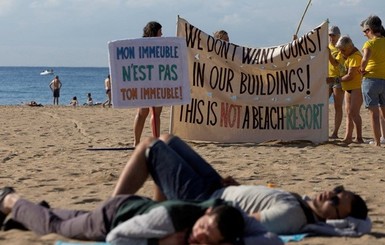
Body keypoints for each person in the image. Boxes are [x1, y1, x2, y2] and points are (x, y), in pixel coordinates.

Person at [112, 134, 369, 235]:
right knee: (167, 140)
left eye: (335, 202)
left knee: (150, 146)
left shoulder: (292, 215)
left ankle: (112, 212)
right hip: (220, 187)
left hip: (205, 199)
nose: (330, 195)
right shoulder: (300, 203)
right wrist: (239, 187)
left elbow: (245, 222)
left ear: (332, 219)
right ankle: (155, 212)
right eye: (337, 191)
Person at [0, 187, 283, 245]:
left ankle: (23, 213)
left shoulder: (228, 217)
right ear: (206, 213)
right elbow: (115, 239)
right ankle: (10, 200)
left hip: (137, 210)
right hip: (114, 218)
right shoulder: (171, 221)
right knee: (59, 226)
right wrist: (156, 244)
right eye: (202, 228)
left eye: (207, 239)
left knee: (76, 218)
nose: (199, 236)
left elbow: (273, 240)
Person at [133, 21, 163, 146]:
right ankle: (136, 141)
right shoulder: (141, 45)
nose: (162, 34)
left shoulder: (161, 46)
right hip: (145, 82)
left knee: (155, 113)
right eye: (160, 32)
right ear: (154, 32)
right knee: (143, 112)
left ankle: (155, 140)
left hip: (157, 81)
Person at [360, 16, 385, 146]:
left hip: (371, 79)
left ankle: (377, 142)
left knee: (374, 114)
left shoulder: (370, 44)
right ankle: (384, 138)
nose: (365, 34)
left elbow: (365, 59)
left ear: (369, 29)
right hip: (384, 78)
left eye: (365, 32)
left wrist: (361, 69)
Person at [334, 36, 363, 144]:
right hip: (348, 87)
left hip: (356, 87)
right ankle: (348, 137)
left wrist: (336, 80)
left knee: (354, 112)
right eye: (340, 50)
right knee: (348, 113)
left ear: (350, 47)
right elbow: (335, 62)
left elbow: (350, 75)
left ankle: (359, 137)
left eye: (343, 50)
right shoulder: (347, 56)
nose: (341, 52)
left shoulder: (356, 56)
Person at [327, 26, 345, 139]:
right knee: (322, 104)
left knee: (337, 106)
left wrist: (328, 53)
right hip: (327, 78)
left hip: (338, 79)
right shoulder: (327, 46)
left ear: (338, 36)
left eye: (333, 35)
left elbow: (335, 63)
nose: (331, 37)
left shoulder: (341, 48)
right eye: (330, 35)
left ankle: (335, 132)